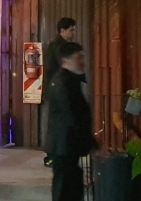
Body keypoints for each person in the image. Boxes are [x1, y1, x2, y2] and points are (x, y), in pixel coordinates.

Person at [46, 42, 95, 201]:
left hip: (67, 146)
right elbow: (71, 116)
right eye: (78, 57)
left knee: (71, 189)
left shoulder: (68, 80)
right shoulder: (63, 82)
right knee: (65, 190)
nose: (82, 61)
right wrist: (91, 142)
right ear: (65, 60)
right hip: (64, 146)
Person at [43, 17, 77, 167]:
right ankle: (52, 156)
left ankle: (57, 155)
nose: (73, 33)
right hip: (57, 92)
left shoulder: (60, 45)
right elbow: (52, 69)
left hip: (58, 91)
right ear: (62, 31)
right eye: (71, 30)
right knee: (57, 124)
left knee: (60, 124)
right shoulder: (57, 47)